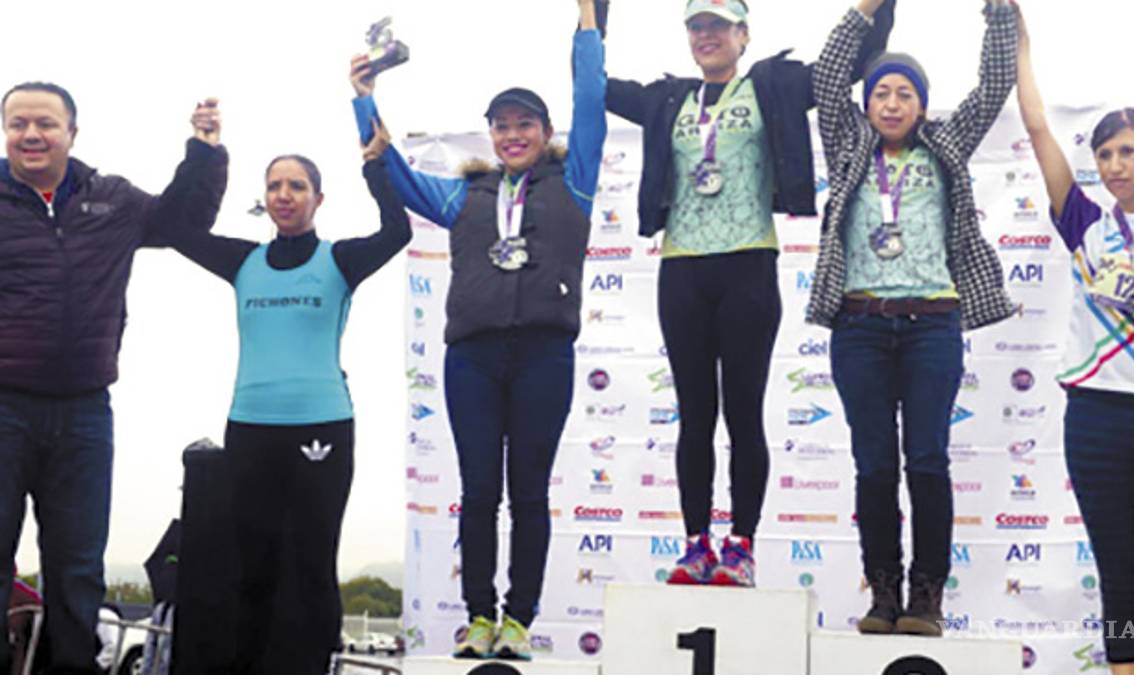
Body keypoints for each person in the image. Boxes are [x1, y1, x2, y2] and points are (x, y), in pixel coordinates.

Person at [603, 0, 896, 588]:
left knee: (743, 412)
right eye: (696, 26)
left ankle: (740, 544)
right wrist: (593, 13)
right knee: (694, 415)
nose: (705, 35)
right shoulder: (668, 98)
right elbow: (592, 84)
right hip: (682, 268)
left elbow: (856, 60)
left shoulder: (772, 85)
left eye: (717, 25)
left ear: (743, 34)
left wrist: (877, 6)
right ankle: (695, 544)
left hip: (749, 265)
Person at [349, 0, 605, 660]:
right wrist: (363, 99)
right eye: (502, 126)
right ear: (490, 134)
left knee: (530, 492)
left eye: (525, 124)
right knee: (478, 491)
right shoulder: (464, 194)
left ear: (546, 131)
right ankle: (479, 617)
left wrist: (587, 24)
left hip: (544, 352)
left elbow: (592, 101)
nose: (513, 135)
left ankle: (520, 619)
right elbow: (393, 169)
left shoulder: (575, 181)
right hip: (472, 357)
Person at [160, 107, 412, 675]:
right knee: (253, 564)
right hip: (250, 427)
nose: (284, 195)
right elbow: (175, 230)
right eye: (274, 185)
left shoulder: (339, 260)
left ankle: (311, 665)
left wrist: (375, 166)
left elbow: (397, 232)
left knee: (311, 561)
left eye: (297, 186)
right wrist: (203, 150)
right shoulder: (243, 261)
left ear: (318, 198)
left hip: (321, 427)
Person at [0, 82, 227, 675]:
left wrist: (204, 154)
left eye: (45, 124)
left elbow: (182, 223)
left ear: (72, 133)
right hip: (3, 407)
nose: (31, 134)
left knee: (77, 567)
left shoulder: (113, 200)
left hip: (84, 411)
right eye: (18, 124)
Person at [809, 0, 1017, 636]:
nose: (893, 104)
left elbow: (994, 85)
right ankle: (883, 591)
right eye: (882, 93)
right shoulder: (848, 143)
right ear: (867, 103)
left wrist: (1000, 14)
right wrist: (865, 9)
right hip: (860, 326)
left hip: (933, 324)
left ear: (923, 106)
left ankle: (926, 595)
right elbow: (826, 76)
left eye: (906, 94)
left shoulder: (946, 143)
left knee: (926, 459)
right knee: (873, 464)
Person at [1015, 9, 1134, 675]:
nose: (1116, 165)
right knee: (1118, 569)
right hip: (1096, 416)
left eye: (1128, 151)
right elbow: (1038, 128)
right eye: (1104, 154)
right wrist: (1020, 45)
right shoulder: (1085, 224)